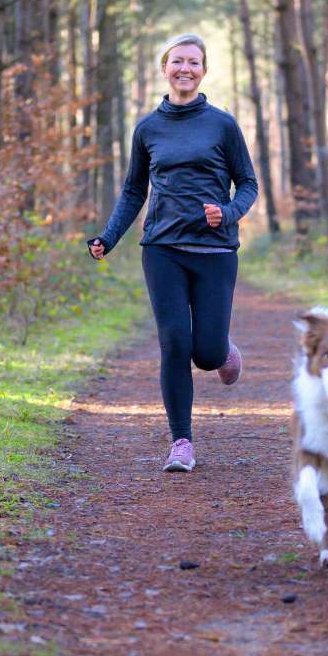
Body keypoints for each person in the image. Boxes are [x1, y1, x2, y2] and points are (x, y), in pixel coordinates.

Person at [87, 33, 258, 473]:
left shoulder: (222, 124)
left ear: (204, 71)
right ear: (165, 68)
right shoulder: (148, 128)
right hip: (162, 248)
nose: (185, 69)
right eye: (177, 61)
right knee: (174, 343)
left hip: (216, 251)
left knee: (205, 352)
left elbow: (249, 184)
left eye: (194, 62)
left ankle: (223, 350)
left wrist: (228, 212)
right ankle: (181, 442)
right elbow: (132, 190)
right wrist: (109, 237)